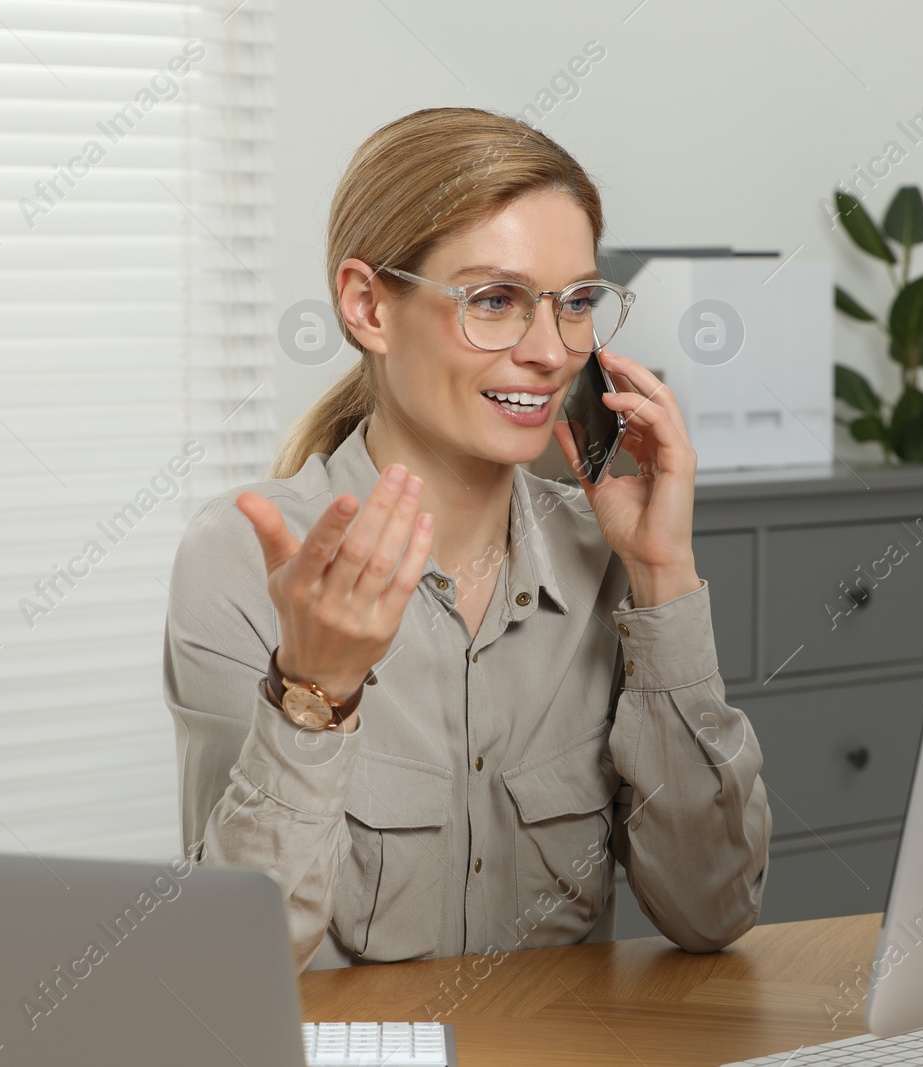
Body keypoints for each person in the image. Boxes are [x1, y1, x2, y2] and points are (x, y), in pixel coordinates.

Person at [162, 106, 771, 973]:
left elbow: (712, 909)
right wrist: (316, 691)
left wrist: (662, 574)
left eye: (575, 304)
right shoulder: (241, 561)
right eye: (494, 300)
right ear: (368, 305)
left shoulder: (604, 558)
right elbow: (227, 964)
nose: (552, 352)